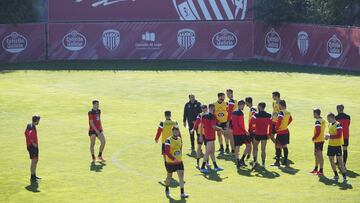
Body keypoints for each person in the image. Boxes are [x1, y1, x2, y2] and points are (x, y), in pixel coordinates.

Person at [164, 127, 189, 198]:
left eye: (177, 132)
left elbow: (180, 149)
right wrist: (173, 158)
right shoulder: (168, 140)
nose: (176, 133)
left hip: (179, 161)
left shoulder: (179, 139)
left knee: (181, 176)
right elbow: (167, 152)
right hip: (170, 162)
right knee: (169, 176)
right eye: (174, 131)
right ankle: (167, 188)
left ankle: (182, 193)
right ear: (172, 131)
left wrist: (179, 158)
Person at [199, 104, 224, 173]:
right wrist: (220, 129)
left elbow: (201, 126)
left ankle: (215, 166)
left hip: (207, 136)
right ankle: (202, 167)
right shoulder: (212, 116)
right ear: (213, 108)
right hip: (210, 136)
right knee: (208, 152)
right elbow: (213, 127)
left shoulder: (203, 116)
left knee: (212, 152)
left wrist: (201, 135)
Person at [325, 113, 347, 182]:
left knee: (340, 162)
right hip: (330, 145)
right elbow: (331, 134)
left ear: (331, 117)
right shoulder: (330, 124)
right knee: (331, 160)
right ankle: (336, 175)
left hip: (337, 146)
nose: (327, 120)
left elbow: (339, 135)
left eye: (328, 118)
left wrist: (330, 136)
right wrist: (327, 137)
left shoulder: (338, 125)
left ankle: (344, 176)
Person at [249, 102, 272, 167]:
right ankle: (263, 164)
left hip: (256, 134)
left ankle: (255, 161)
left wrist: (252, 130)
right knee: (263, 150)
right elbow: (271, 125)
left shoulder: (255, 115)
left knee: (255, 148)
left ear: (259, 106)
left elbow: (251, 123)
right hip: (264, 134)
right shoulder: (269, 115)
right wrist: (269, 134)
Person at [272, 100, 293, 167]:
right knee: (284, 146)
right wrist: (286, 125)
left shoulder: (281, 112)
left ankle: (277, 162)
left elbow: (279, 120)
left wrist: (276, 128)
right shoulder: (288, 112)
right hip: (286, 131)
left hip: (281, 132)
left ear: (280, 105)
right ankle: (285, 161)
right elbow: (290, 119)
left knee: (278, 146)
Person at [231, 100, 251, 168]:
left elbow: (232, 122)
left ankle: (238, 161)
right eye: (243, 106)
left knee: (237, 147)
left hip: (235, 132)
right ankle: (241, 159)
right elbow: (240, 124)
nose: (244, 107)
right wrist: (245, 131)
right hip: (241, 133)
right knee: (248, 145)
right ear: (241, 105)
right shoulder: (240, 113)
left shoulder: (233, 112)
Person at [25, 115, 41, 182]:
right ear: (36, 121)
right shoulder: (31, 127)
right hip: (32, 147)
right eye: (38, 120)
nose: (39, 122)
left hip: (32, 146)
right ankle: (32, 177)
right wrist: (33, 143)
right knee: (34, 161)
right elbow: (30, 135)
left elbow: (25, 133)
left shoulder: (30, 125)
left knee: (36, 160)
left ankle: (34, 175)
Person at [311, 108, 325, 176]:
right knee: (316, 154)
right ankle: (316, 169)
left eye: (313, 113)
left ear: (316, 113)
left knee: (319, 155)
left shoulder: (318, 121)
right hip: (320, 140)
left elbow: (318, 131)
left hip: (318, 140)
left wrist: (314, 137)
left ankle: (321, 170)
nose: (313, 115)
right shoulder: (322, 120)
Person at [226, 89, 237, 153]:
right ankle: (235, 149)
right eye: (227, 94)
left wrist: (227, 121)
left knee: (231, 136)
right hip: (235, 119)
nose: (227, 95)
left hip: (231, 120)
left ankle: (233, 150)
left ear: (232, 93)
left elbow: (230, 112)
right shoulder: (235, 100)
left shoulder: (231, 101)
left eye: (228, 93)